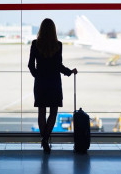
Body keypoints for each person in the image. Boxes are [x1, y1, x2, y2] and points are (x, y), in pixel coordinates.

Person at [28, 18, 77, 154]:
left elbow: (30, 65)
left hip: (41, 83)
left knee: (41, 112)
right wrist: (69, 72)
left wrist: (37, 76)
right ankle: (45, 139)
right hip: (54, 83)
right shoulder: (58, 45)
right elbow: (58, 66)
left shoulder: (35, 44)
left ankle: (44, 140)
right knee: (53, 112)